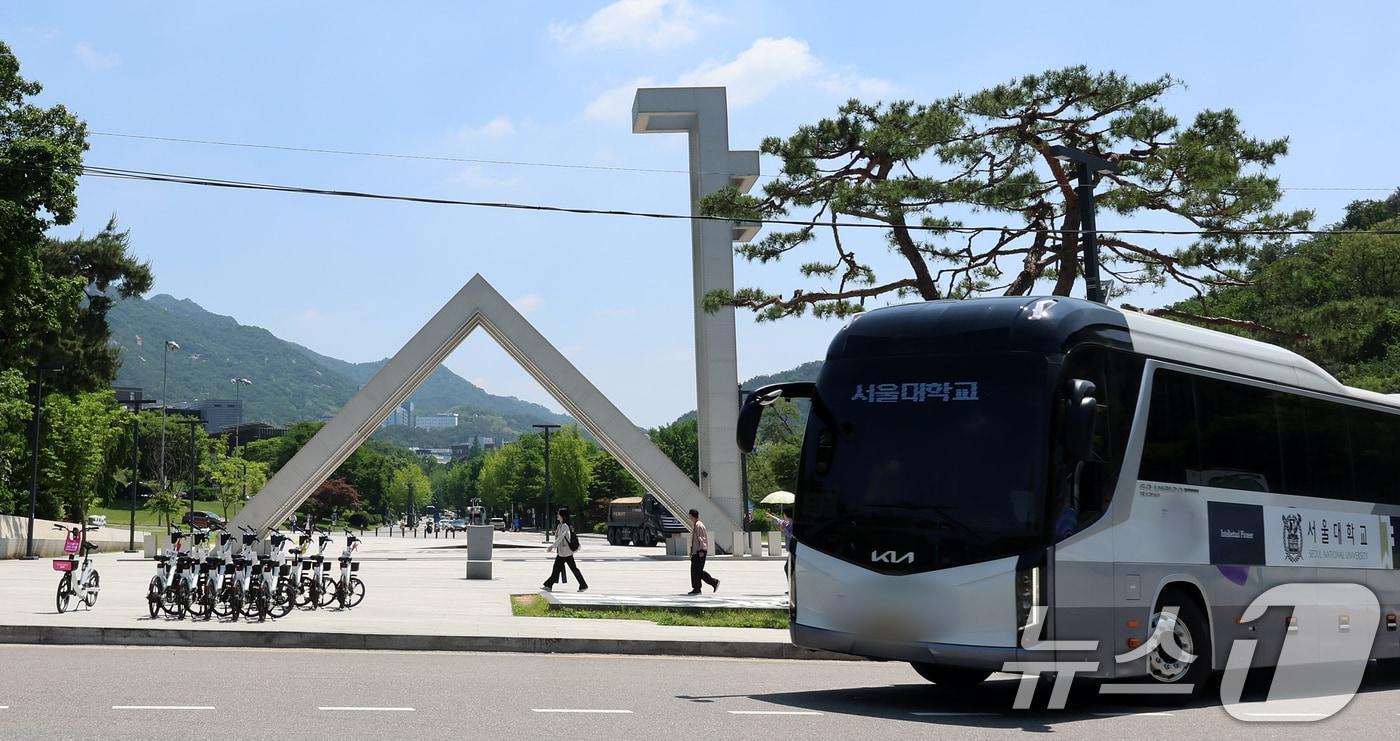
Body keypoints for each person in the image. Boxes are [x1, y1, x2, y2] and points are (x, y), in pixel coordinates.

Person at [542, 507, 588, 592]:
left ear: (563, 516)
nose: (557, 515)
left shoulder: (565, 526)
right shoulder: (560, 525)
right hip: (562, 552)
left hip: (566, 552)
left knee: (568, 569)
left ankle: (583, 585)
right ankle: (549, 585)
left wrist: (552, 546)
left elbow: (560, 537)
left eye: (558, 514)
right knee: (558, 569)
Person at [687, 508, 720, 595]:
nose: (689, 518)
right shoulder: (695, 525)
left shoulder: (699, 526)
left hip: (699, 552)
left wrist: (702, 550)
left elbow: (702, 538)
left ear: (692, 516)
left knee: (697, 571)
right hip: (696, 552)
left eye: (689, 516)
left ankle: (712, 582)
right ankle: (698, 588)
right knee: (695, 571)